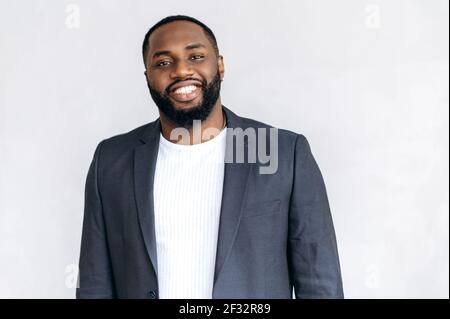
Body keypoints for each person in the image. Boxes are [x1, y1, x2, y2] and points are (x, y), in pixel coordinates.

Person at [76, 15, 344, 299]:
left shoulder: (282, 152)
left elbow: (320, 284)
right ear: (148, 77)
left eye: (196, 56)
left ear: (220, 65)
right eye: (163, 62)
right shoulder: (111, 160)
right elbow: (94, 284)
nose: (181, 71)